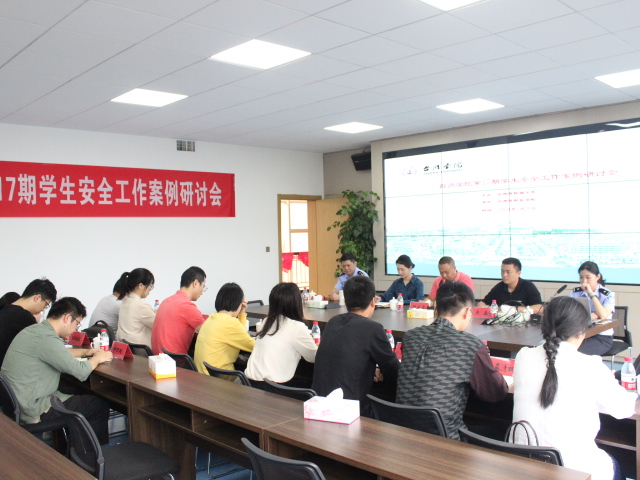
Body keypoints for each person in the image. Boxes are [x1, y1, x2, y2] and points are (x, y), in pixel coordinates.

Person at [512, 296, 634, 480]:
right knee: (618, 465)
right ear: (582, 331)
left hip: (524, 465)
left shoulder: (523, 356)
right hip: (574, 471)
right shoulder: (590, 366)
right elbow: (624, 409)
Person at [397, 282, 507, 440]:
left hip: (403, 433)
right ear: (467, 311)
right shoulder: (471, 345)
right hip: (445, 440)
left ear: (436, 309)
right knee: (501, 431)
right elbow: (495, 392)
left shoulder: (410, 336)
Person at [0, 297, 113, 444]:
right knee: (99, 406)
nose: (75, 329)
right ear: (67, 318)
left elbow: (58, 353)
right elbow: (80, 371)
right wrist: (98, 358)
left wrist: (86, 352)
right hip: (32, 408)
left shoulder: (35, 331)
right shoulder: (47, 338)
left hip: (17, 401)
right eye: (77, 324)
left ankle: (70, 446)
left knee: (79, 392)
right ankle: (87, 454)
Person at [312, 276, 399, 416]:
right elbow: (392, 368)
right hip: (348, 411)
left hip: (318, 405)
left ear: (345, 302)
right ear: (373, 302)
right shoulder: (372, 328)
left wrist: (370, 369)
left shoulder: (333, 322)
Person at [246, 283, 317, 388]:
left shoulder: (266, 321)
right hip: (271, 388)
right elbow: (314, 357)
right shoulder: (296, 327)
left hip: (249, 383)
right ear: (296, 303)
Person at [194, 283, 255, 380]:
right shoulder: (230, 323)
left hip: (203, 376)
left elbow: (240, 335)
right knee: (251, 380)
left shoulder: (212, 317)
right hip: (222, 380)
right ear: (237, 303)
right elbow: (254, 346)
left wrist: (241, 314)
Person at [0, 278, 57, 367]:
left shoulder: (4, 310)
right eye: (45, 305)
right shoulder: (24, 317)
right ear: (37, 298)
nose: (42, 310)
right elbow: (47, 349)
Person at [151, 266, 207, 355]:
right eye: (203, 287)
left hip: (157, 358)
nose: (202, 292)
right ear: (195, 283)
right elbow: (208, 332)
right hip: (174, 360)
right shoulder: (187, 306)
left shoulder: (166, 301)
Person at [569, 261, 615, 356]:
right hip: (579, 334)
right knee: (563, 346)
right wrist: (587, 315)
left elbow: (603, 315)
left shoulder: (607, 294)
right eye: (581, 277)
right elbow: (569, 312)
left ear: (598, 277)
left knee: (574, 350)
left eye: (588, 277)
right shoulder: (576, 293)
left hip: (601, 338)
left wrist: (591, 294)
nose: (584, 281)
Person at [115, 268, 156, 347]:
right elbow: (158, 325)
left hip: (127, 349)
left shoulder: (125, 301)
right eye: (150, 286)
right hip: (141, 351)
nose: (150, 290)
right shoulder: (141, 305)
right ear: (140, 286)